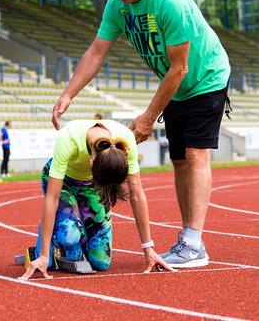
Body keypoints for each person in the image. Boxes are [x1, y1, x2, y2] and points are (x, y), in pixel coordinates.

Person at [51, 0, 230, 269]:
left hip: (206, 78)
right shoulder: (117, 4)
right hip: (174, 87)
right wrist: (68, 95)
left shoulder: (170, 2)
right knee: (178, 161)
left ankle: (192, 242)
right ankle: (191, 240)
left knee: (195, 155)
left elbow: (180, 68)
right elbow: (97, 51)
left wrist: (148, 118)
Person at [19, 119, 173, 280]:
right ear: (90, 163)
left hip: (92, 185)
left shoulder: (125, 141)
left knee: (101, 262)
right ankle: (53, 239)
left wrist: (149, 249)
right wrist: (43, 255)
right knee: (69, 236)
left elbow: (136, 194)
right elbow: (52, 198)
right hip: (63, 181)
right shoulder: (69, 137)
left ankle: (70, 237)